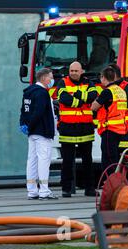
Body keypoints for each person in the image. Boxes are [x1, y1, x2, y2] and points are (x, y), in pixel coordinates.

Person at [57, 62, 97, 198]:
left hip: (85, 127)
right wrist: (80, 101)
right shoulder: (62, 82)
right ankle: (66, 189)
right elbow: (63, 98)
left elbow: (93, 96)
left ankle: (89, 188)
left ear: (82, 71)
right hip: (68, 127)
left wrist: (78, 96)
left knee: (88, 160)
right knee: (67, 161)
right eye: (71, 70)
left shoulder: (89, 83)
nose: (73, 73)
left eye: (76, 70)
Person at [19, 68, 58, 200]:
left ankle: (32, 191)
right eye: (50, 77)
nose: (52, 80)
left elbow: (24, 110)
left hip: (32, 133)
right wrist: (31, 125)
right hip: (42, 132)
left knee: (32, 161)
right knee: (43, 161)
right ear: (43, 78)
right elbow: (39, 112)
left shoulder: (29, 91)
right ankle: (44, 191)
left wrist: (24, 125)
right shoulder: (42, 93)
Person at [91, 67, 128, 174]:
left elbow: (94, 107)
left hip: (109, 129)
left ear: (103, 78)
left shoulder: (107, 92)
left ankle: (110, 182)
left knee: (108, 160)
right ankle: (117, 180)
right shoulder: (121, 91)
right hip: (120, 129)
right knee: (115, 158)